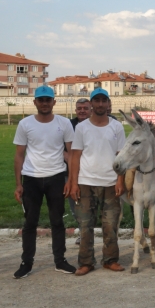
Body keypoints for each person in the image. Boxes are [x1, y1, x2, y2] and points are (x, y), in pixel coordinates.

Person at [12, 85, 76, 279]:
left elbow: (72, 154)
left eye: (48, 100)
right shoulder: (25, 124)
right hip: (31, 178)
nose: (45, 103)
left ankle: (60, 260)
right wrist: (18, 183)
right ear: (35, 102)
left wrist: (71, 180)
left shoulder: (64, 123)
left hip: (56, 177)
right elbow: (19, 155)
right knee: (30, 223)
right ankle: (27, 262)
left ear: (54, 102)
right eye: (41, 100)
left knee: (57, 221)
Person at [70, 88, 127, 276]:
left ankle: (110, 259)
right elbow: (75, 156)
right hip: (86, 182)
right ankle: (86, 262)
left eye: (104, 100)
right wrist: (73, 183)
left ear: (108, 103)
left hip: (111, 183)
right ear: (91, 104)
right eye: (97, 101)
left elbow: (121, 156)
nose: (101, 104)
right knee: (85, 225)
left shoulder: (116, 126)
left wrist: (120, 180)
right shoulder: (82, 127)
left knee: (110, 224)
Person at [68, 97, 91, 245]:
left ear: (91, 110)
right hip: (71, 169)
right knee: (75, 203)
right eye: (79, 108)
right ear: (75, 110)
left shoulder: (98, 124)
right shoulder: (69, 125)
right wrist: (72, 162)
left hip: (92, 171)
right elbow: (64, 150)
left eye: (85, 108)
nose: (82, 111)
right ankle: (83, 233)